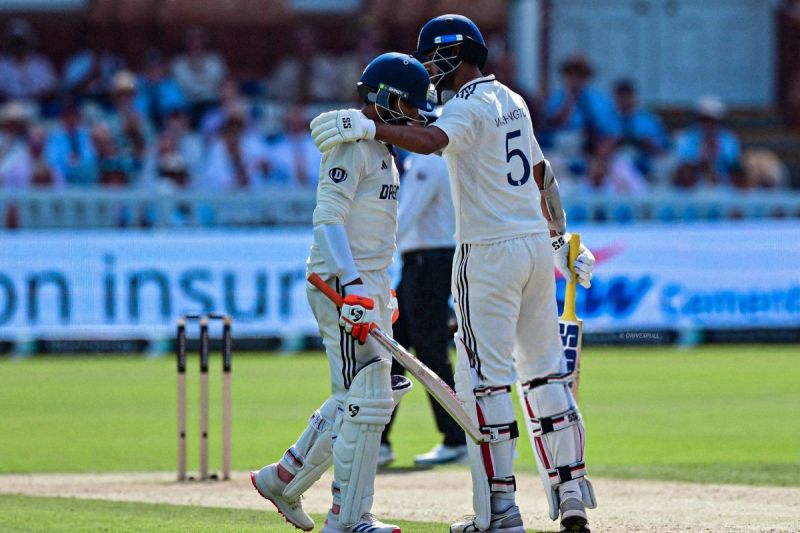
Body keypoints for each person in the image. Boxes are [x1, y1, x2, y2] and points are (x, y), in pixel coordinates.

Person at [310, 15, 597, 533]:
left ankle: (499, 514)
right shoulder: (513, 99)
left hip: (486, 255)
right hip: (534, 247)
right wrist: (559, 240)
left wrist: (371, 125)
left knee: (482, 385)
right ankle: (571, 491)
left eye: (430, 56)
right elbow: (543, 175)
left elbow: (432, 140)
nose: (425, 67)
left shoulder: (463, 106)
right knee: (546, 375)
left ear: (452, 53)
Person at [250, 52, 434, 533]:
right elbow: (327, 219)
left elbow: (372, 231)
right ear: (390, 100)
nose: (416, 116)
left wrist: (378, 289)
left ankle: (283, 478)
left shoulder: (380, 147)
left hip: (366, 282)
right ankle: (349, 519)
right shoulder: (351, 146)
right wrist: (352, 286)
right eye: (411, 107)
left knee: (373, 392)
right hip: (339, 282)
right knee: (366, 399)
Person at [378, 149, 467, 467]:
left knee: (428, 349)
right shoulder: (427, 161)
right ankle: (379, 440)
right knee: (393, 347)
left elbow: (406, 217)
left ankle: (459, 436)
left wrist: (372, 251)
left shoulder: (428, 162)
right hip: (425, 262)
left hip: (430, 262)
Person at [673, 96, 743, 189]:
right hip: (691, 186)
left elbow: (733, 164)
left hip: (723, 185)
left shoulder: (729, 139)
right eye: (704, 120)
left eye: (712, 121)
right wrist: (700, 158)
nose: (708, 124)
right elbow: (680, 162)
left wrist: (717, 153)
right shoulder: (685, 137)